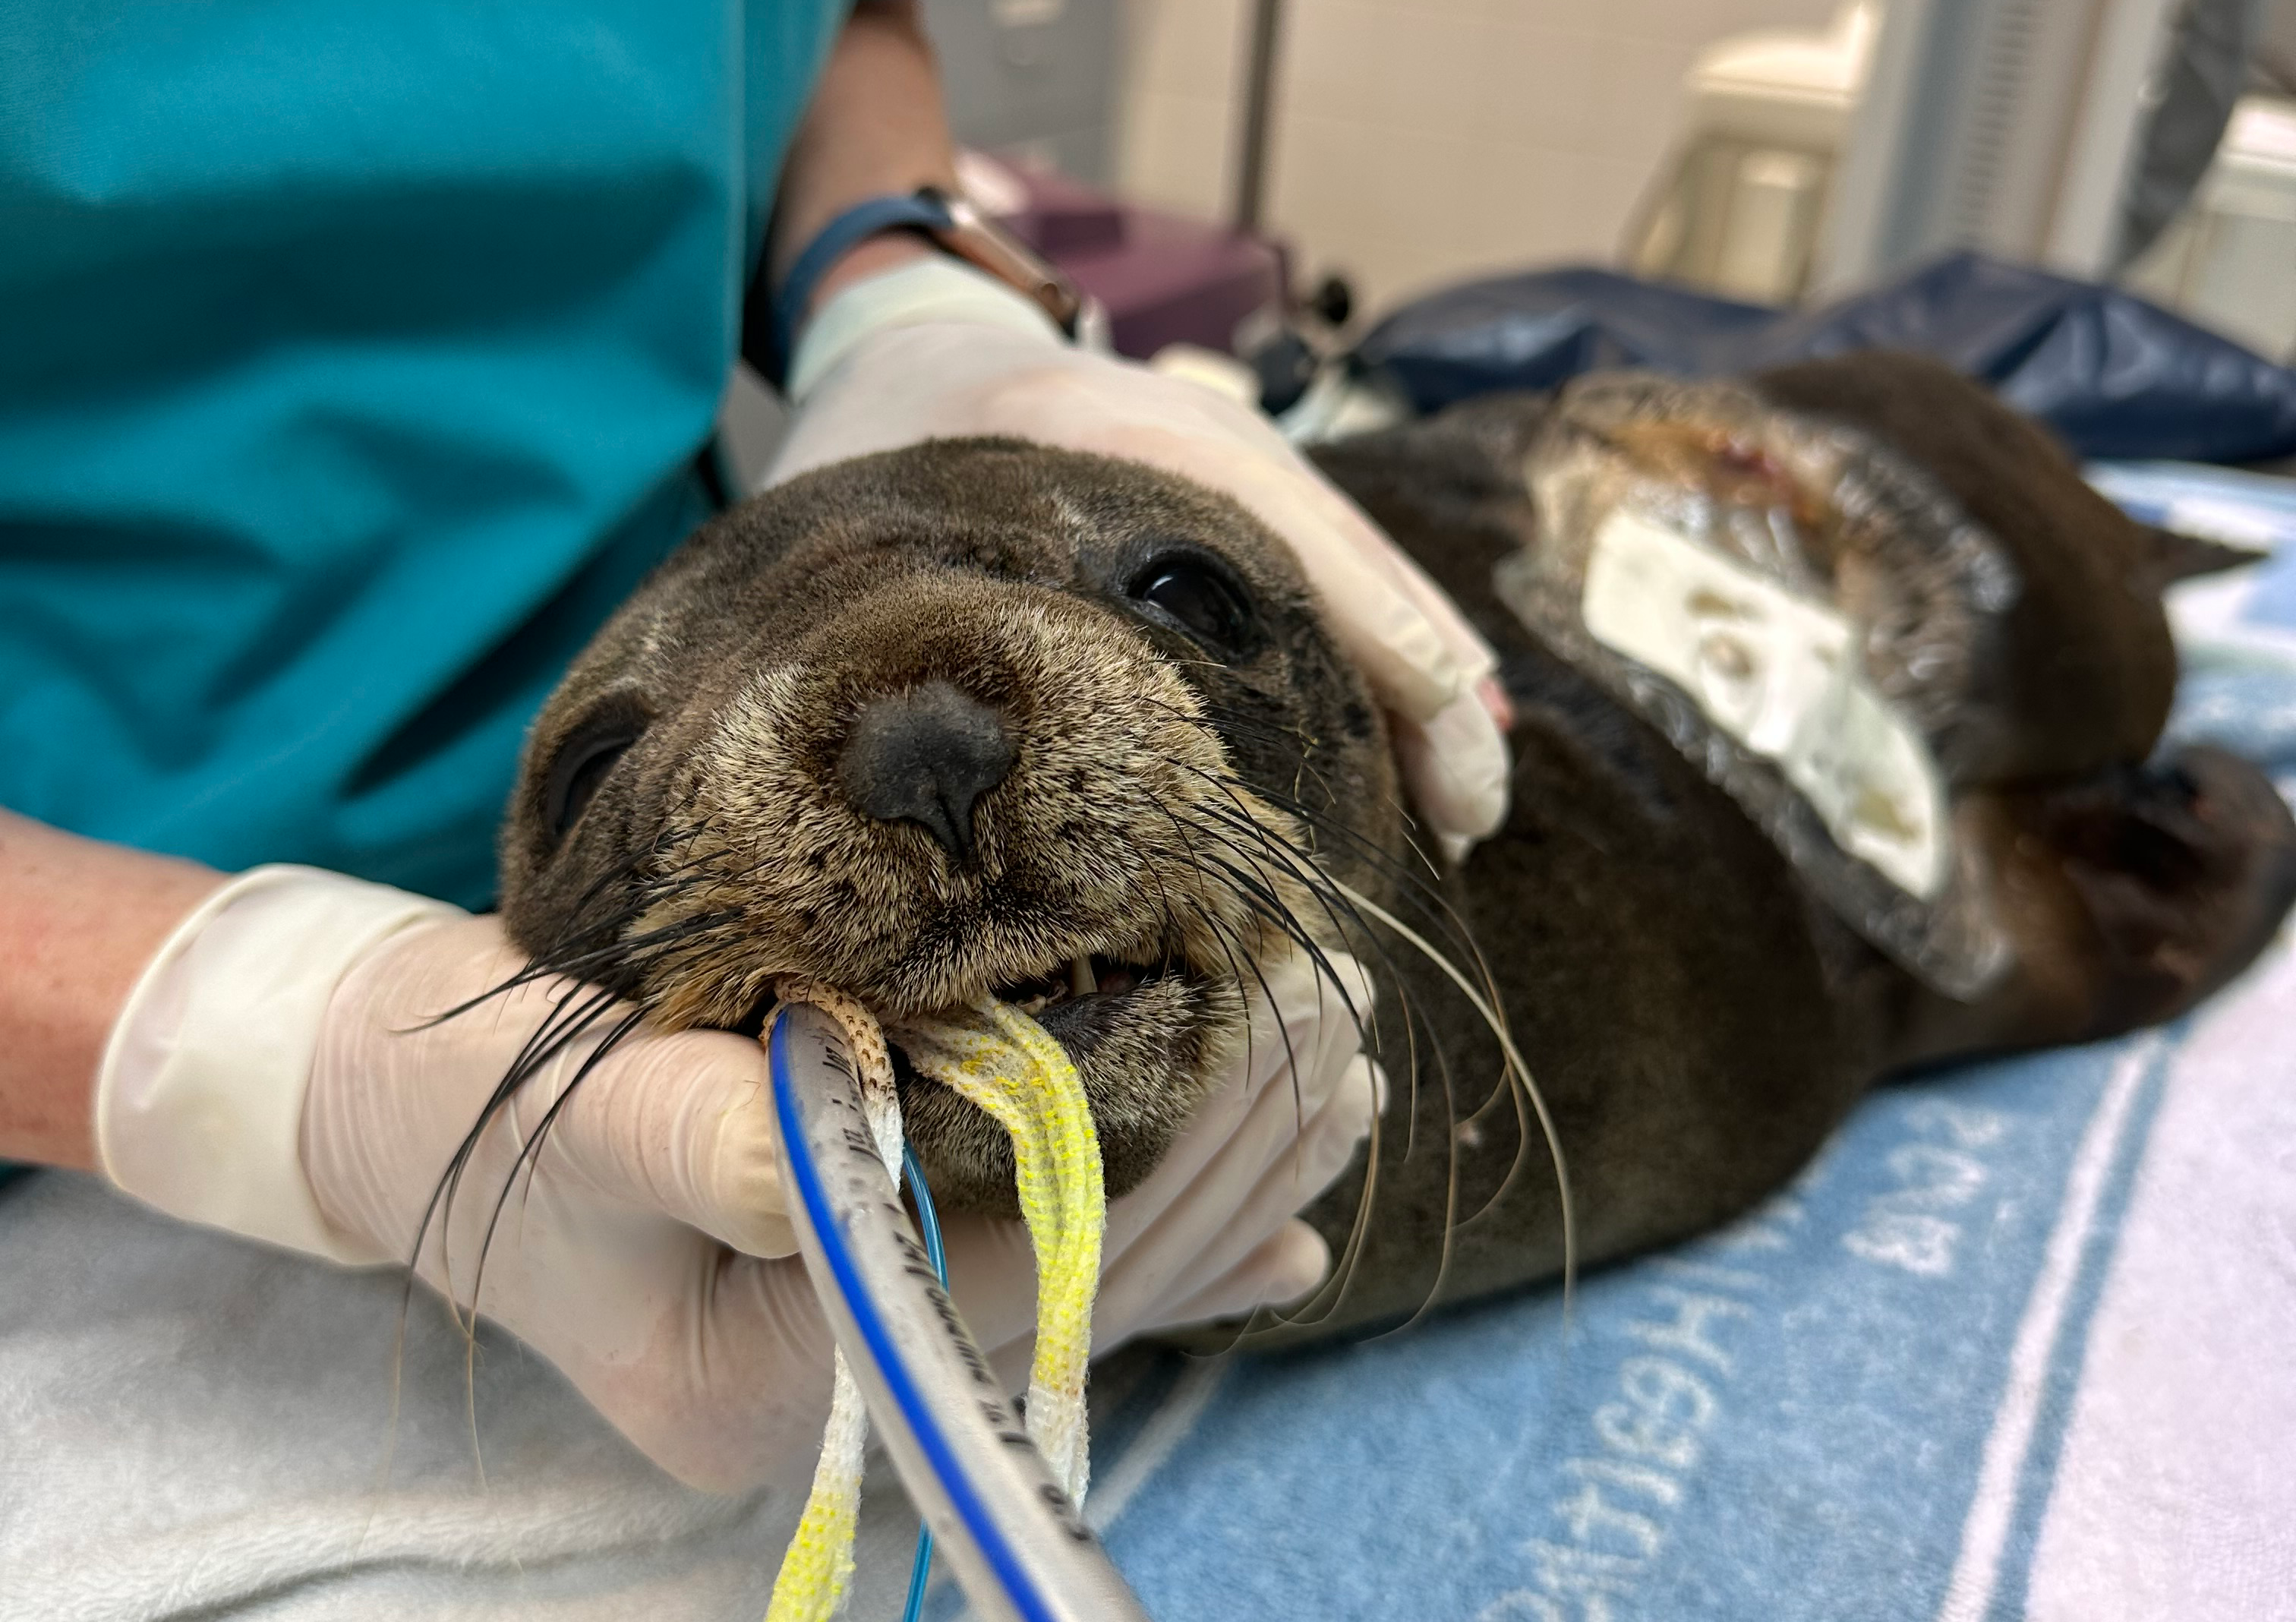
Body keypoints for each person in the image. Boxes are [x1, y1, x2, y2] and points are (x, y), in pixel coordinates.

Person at [0, 2, 1509, 1495]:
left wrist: (896, 277)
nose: (934, 757)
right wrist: (244, 1042)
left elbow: (822, 24)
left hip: (672, 659)